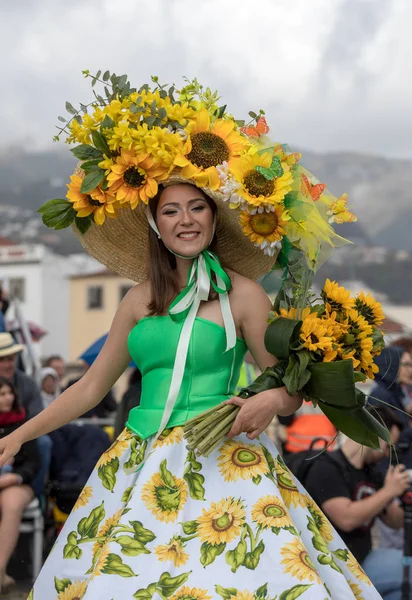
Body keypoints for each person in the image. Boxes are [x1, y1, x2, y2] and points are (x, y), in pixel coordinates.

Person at [0, 75, 380, 599]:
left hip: (225, 461)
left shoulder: (244, 295)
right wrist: (18, 436)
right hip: (139, 460)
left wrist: (271, 395)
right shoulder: (137, 299)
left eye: (197, 207)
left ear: (214, 216)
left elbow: (289, 389)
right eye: (171, 210)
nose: (185, 220)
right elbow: (88, 390)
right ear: (155, 224)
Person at [304, 405, 409, 599]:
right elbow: (347, 518)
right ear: (372, 434)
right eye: (388, 446)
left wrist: (403, 495)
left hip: (365, 559)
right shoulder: (326, 467)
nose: (387, 454)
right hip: (338, 567)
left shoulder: (371, 471)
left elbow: (394, 521)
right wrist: (389, 491)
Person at [0, 376, 40, 594]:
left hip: (17, 481)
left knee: (12, 502)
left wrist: (14, 478)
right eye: (2, 393)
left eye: (9, 393)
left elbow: (34, 463)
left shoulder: (23, 424)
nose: (8, 398)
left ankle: (0, 571)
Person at [0, 332, 52, 497]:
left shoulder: (28, 384)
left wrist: (17, 432)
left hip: (24, 434)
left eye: (11, 358)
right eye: (2, 359)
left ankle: (35, 492)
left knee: (43, 443)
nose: (8, 364)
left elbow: (37, 417)